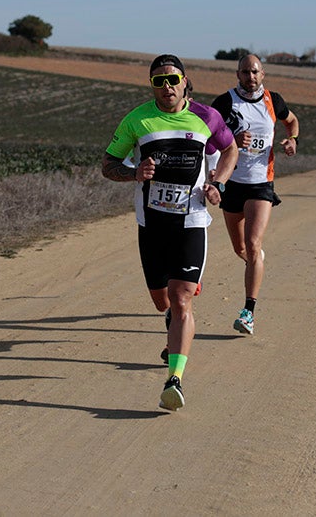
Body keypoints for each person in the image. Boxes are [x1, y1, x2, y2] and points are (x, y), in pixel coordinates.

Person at [102, 54, 238, 411]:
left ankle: (174, 381)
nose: (167, 87)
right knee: (162, 301)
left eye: (172, 79)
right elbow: (108, 164)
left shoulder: (207, 117)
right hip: (151, 225)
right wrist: (133, 172)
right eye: (158, 81)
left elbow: (230, 148)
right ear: (152, 86)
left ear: (184, 80)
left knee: (182, 300)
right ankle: (172, 320)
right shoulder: (137, 120)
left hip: (191, 222)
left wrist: (218, 184)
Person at [211, 54, 299, 336]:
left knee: (251, 243)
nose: (251, 77)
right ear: (238, 74)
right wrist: (231, 142)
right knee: (242, 250)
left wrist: (291, 139)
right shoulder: (225, 102)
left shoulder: (274, 100)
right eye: (246, 72)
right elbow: (207, 138)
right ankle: (256, 259)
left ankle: (248, 311)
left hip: (262, 182)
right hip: (232, 182)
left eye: (255, 72)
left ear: (263, 74)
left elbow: (292, 121)